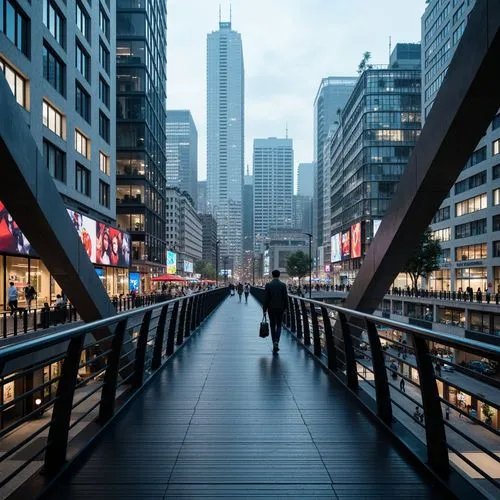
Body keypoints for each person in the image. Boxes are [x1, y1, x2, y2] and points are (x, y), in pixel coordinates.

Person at [263, 270, 288, 354]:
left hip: (271, 308)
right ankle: (277, 341)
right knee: (279, 325)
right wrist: (286, 308)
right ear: (279, 275)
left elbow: (266, 298)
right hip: (280, 308)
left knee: (272, 325)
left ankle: (274, 342)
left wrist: (264, 309)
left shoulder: (268, 285)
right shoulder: (283, 285)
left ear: (272, 275)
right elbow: (285, 298)